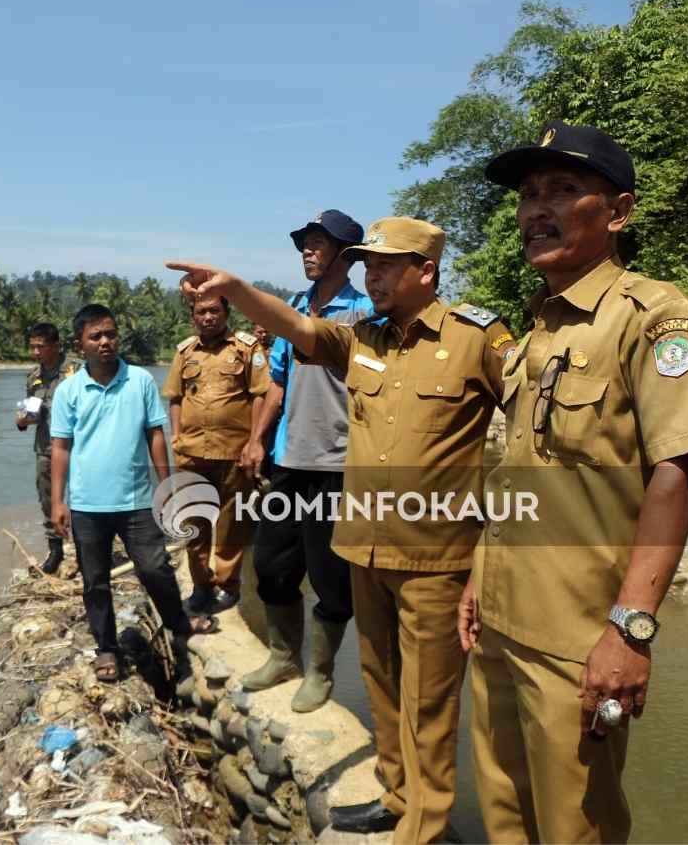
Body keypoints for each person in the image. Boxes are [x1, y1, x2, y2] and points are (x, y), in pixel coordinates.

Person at [168, 215, 515, 843]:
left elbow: (532, 430)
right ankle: (395, 794)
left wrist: (499, 536)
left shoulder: (476, 339)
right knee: (382, 684)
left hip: (436, 558)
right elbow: (295, 326)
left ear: (425, 270)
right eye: (367, 264)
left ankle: (426, 825)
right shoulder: (362, 338)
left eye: (383, 265)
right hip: (365, 545)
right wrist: (237, 289)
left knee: (430, 702)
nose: (370, 275)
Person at [459, 122, 688, 843]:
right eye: (529, 193)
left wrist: (630, 629)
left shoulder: (654, 318)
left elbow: (679, 467)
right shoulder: (535, 332)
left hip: (579, 638)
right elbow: (512, 468)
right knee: (505, 815)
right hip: (504, 628)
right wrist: (481, 574)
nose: (536, 208)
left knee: (578, 826)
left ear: (619, 211)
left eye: (564, 190)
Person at [216, 208, 373, 715]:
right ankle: (285, 657)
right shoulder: (294, 306)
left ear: (345, 255)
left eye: (317, 243)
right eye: (303, 243)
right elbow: (277, 380)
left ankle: (322, 670)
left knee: (330, 576)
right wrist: (258, 438)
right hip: (289, 458)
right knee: (272, 563)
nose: (307, 250)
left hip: (339, 464)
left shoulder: (366, 313)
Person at [48, 304, 217, 683]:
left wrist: (168, 486)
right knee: (95, 580)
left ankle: (178, 623)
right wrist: (58, 502)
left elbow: (155, 434)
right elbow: (60, 447)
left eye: (110, 334)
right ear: (81, 343)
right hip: (88, 504)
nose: (105, 342)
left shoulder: (139, 381)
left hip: (138, 500)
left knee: (154, 567)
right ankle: (107, 649)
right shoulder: (68, 392)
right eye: (96, 336)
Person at [163, 296, 269, 615]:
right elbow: (176, 397)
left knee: (231, 524)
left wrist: (255, 441)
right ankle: (200, 586)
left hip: (234, 453)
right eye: (201, 312)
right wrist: (177, 436)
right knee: (194, 524)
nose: (208, 317)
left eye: (214, 311)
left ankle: (228, 586)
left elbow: (261, 394)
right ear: (193, 316)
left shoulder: (247, 348)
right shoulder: (184, 352)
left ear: (226, 313)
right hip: (192, 452)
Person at [16, 322, 79, 574]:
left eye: (40, 346)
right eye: (32, 347)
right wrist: (22, 420)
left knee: (83, 497)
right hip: (45, 447)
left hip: (79, 448)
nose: (35, 352)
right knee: (47, 498)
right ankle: (55, 550)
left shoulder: (77, 371)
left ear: (55, 345)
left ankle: (87, 549)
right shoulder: (33, 377)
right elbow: (27, 413)